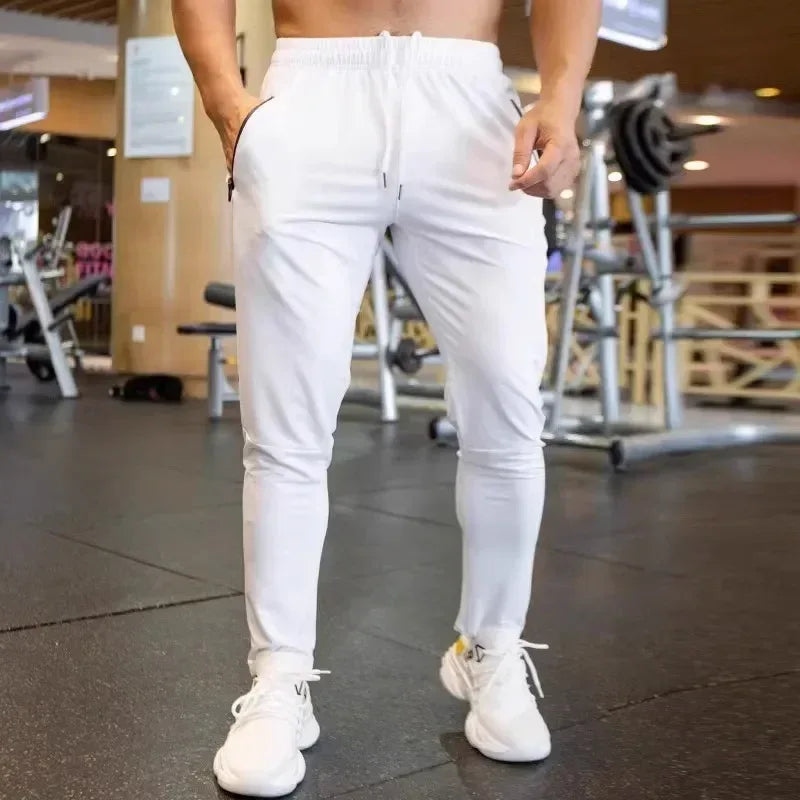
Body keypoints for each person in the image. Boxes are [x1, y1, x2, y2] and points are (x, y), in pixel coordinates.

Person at [172, 1, 600, 795]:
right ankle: (279, 682)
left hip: (470, 102)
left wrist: (562, 100)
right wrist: (227, 104)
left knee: (509, 409)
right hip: (312, 93)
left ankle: (490, 651)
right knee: (287, 426)